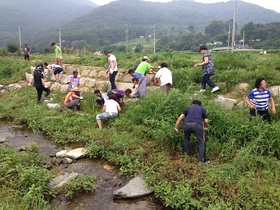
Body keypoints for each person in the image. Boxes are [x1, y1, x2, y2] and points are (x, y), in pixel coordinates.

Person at [175, 100, 209, 164]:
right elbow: (206, 121)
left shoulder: (188, 108)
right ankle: (201, 161)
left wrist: (176, 127)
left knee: (186, 139)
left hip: (187, 124)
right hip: (197, 125)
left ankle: (187, 156)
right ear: (200, 105)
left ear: (192, 104)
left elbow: (180, 118)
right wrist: (204, 127)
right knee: (201, 142)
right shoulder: (202, 109)